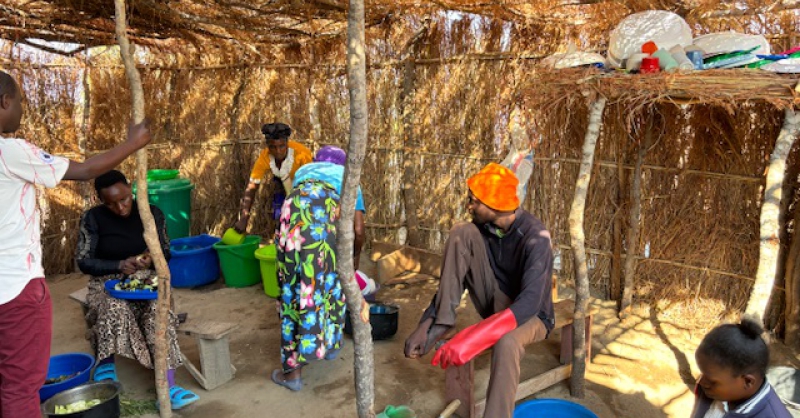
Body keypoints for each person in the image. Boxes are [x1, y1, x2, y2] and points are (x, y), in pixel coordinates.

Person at [0, 70, 151, 418]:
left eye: (126, 199)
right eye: (20, 101)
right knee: (21, 387)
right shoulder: (11, 153)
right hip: (14, 286)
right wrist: (133, 143)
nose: (22, 108)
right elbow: (83, 171)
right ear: (6, 101)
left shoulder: (149, 215)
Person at [404, 162, 555, 418]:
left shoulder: (536, 237)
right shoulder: (483, 228)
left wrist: (476, 335)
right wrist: (425, 323)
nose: (469, 206)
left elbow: (530, 302)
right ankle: (443, 321)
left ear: (494, 205)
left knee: (507, 342)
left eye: (474, 201)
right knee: (461, 232)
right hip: (497, 304)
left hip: (531, 315)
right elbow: (454, 277)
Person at [75, 170, 199, 409]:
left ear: (131, 189)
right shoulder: (93, 218)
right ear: (100, 201)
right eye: (111, 203)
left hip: (145, 279)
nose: (120, 208)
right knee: (114, 306)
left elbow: (165, 250)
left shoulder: (151, 212)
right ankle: (106, 366)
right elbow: (84, 260)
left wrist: (148, 259)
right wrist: (118, 265)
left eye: (124, 199)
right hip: (107, 280)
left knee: (157, 311)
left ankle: (168, 385)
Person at [271, 145, 367, 391]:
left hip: (293, 226)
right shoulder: (349, 179)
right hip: (322, 231)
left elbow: (296, 208)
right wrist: (353, 262)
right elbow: (358, 230)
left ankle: (293, 374)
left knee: (295, 292)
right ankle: (330, 348)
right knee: (332, 283)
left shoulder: (304, 172)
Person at [691, 318, 791, 418]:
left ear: (748, 381)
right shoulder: (710, 391)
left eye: (712, 381)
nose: (701, 382)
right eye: (702, 373)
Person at [234, 122, 312, 235]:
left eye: (281, 146)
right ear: (267, 145)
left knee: (302, 221)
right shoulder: (265, 157)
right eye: (272, 147)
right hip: (282, 185)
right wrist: (244, 217)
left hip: (304, 188)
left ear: (287, 143)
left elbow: (311, 184)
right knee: (282, 218)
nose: (278, 151)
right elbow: (252, 187)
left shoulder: (302, 154)